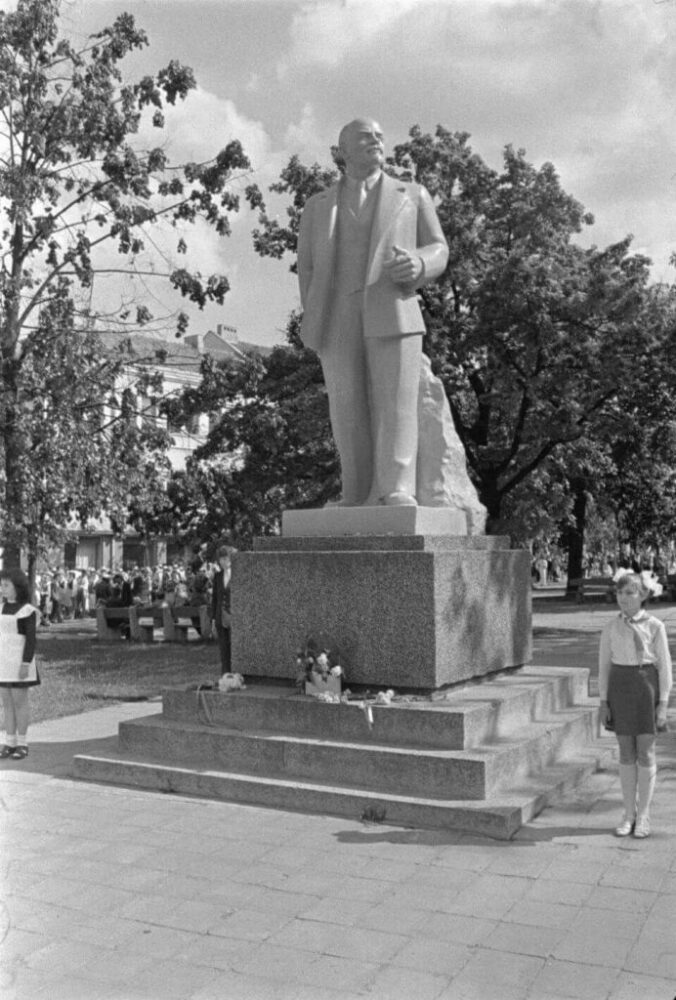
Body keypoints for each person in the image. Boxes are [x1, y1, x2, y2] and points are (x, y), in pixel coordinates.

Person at [297, 116, 449, 507]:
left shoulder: (412, 194)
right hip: (337, 316)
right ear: (342, 151)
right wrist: (315, 313)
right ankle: (356, 491)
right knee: (346, 407)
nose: (377, 142)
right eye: (366, 137)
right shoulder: (317, 207)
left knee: (395, 402)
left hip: (393, 309)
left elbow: (439, 249)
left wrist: (419, 264)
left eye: (380, 137)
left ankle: (396, 487)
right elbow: (308, 268)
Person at [598, 571, 672, 838]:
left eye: (629, 593)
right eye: (619, 593)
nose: (623, 598)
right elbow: (604, 667)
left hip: (645, 690)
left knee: (646, 751)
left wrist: (663, 703)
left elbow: (664, 668)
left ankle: (644, 815)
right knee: (626, 752)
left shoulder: (655, 627)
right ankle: (628, 813)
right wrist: (603, 701)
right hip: (620, 689)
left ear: (642, 596)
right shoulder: (610, 628)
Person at [0, 569, 40, 761]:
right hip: (3, 662)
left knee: (19, 702)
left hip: (19, 662)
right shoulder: (0, 608)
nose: (2, 588)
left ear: (18, 587)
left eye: (7, 585)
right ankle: (9, 741)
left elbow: (31, 640)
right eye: (2, 585)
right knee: (6, 703)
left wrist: (25, 663)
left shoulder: (27, 610)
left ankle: (22, 743)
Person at [211, 545, 236, 675]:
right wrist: (213, 619)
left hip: (234, 617)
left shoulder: (238, 575)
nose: (223, 561)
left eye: (225, 558)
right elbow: (215, 598)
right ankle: (225, 675)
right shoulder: (218, 576)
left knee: (235, 648)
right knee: (224, 649)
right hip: (221, 616)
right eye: (221, 559)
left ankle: (237, 674)